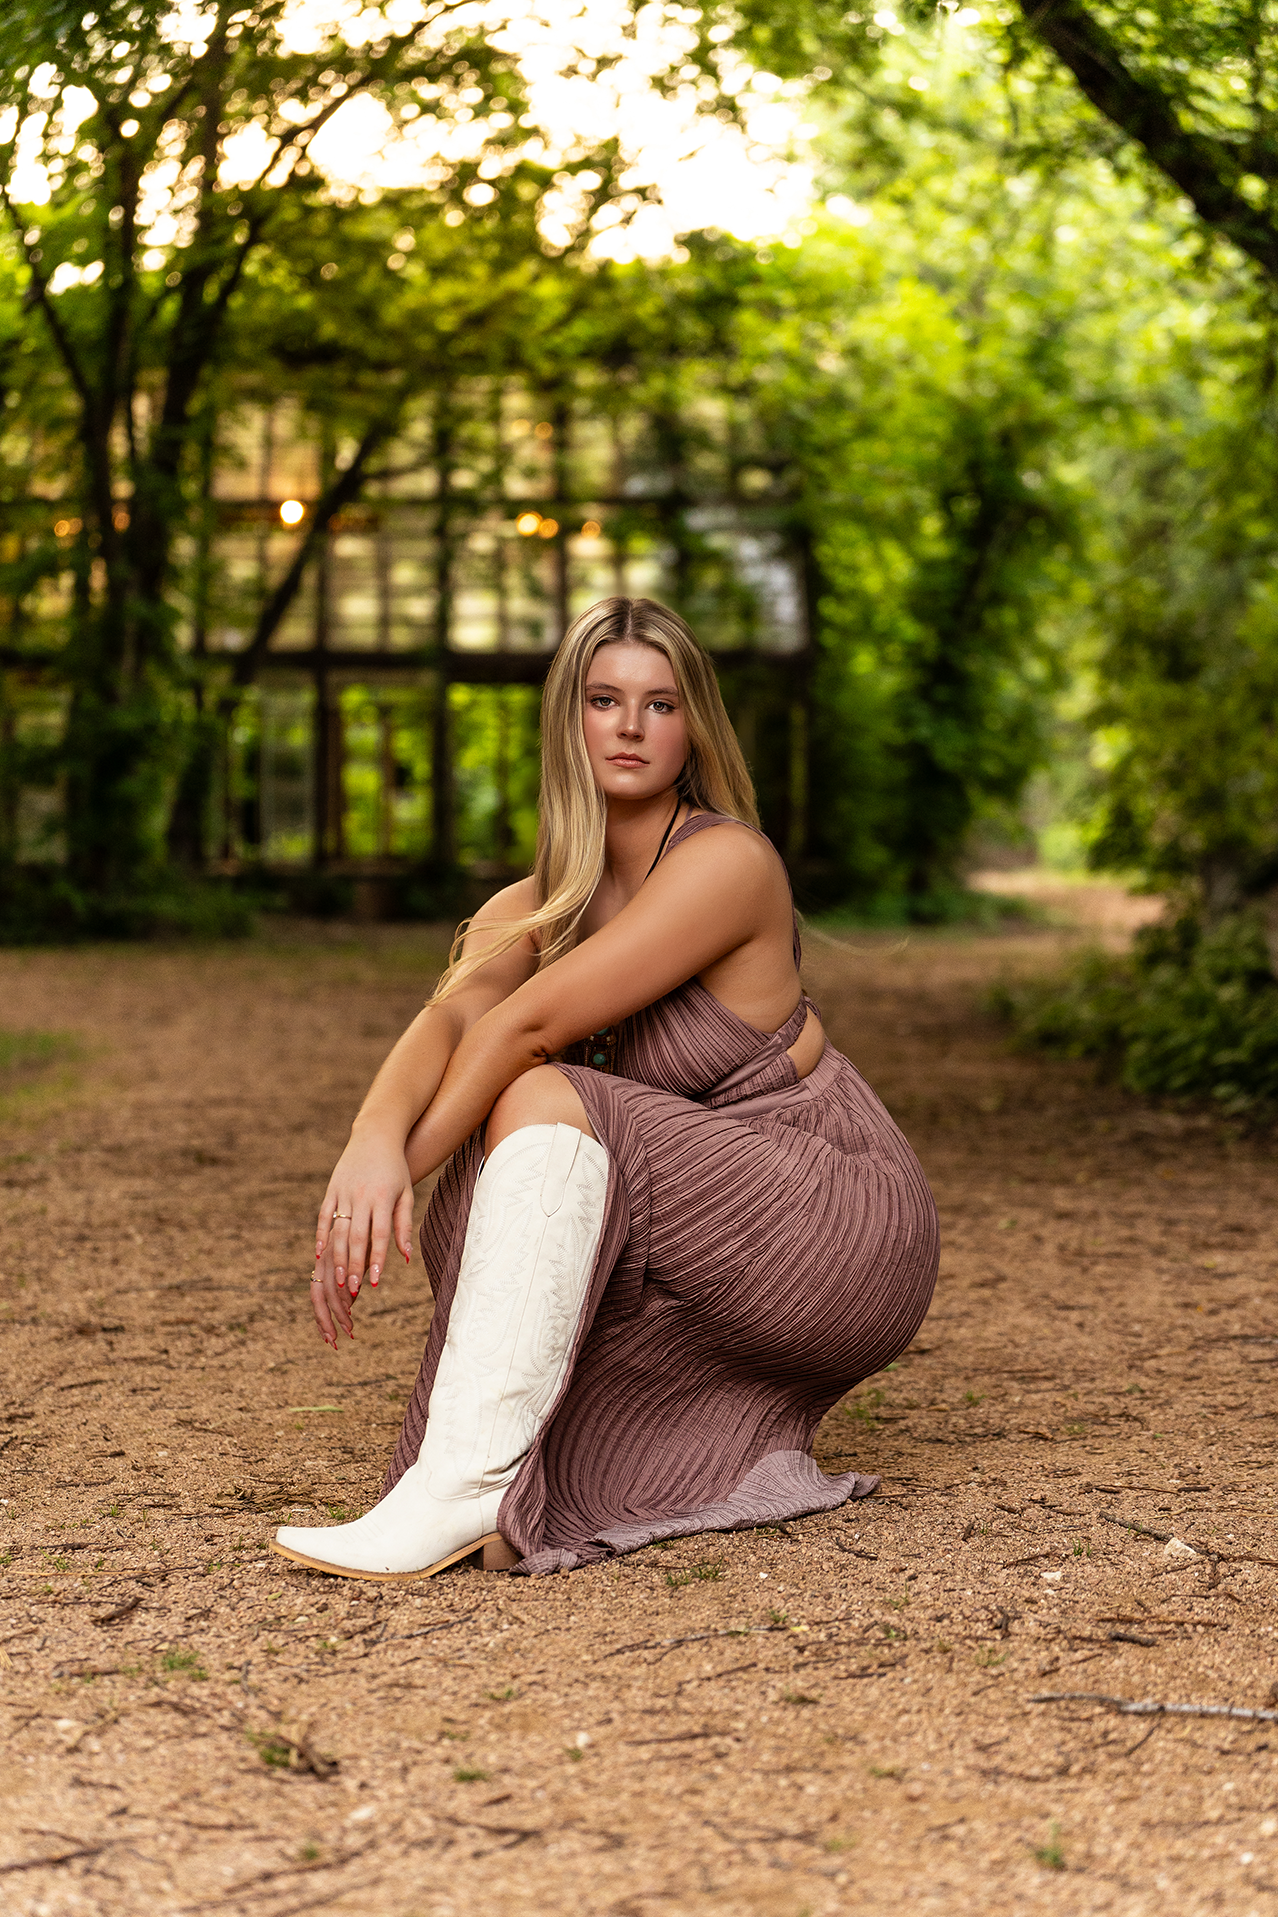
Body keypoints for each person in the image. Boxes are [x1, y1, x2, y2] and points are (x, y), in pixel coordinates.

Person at [273, 597, 938, 1582]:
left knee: (537, 1095)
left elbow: (522, 1028)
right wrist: (368, 1146)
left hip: (827, 1215)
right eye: (604, 699)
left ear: (693, 727)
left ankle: (456, 1490)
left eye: (660, 704)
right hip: (701, 1228)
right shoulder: (537, 902)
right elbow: (449, 1019)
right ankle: (492, 1495)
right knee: (520, 1122)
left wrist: (401, 1176)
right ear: (568, 720)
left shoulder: (728, 864)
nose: (630, 726)